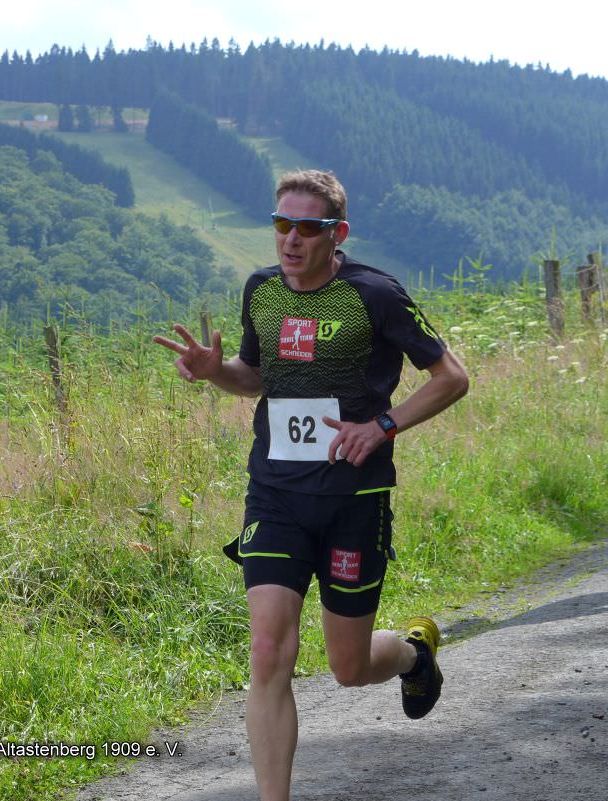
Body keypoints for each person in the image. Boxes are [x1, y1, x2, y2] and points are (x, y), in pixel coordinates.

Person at [154, 169, 469, 801]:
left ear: (337, 233)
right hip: (275, 495)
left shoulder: (374, 294)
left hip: (353, 499)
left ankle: (414, 655)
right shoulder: (262, 291)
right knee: (268, 649)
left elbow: (452, 377)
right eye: (282, 224)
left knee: (348, 667)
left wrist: (383, 426)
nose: (291, 239)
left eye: (307, 227)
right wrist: (217, 372)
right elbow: (255, 376)